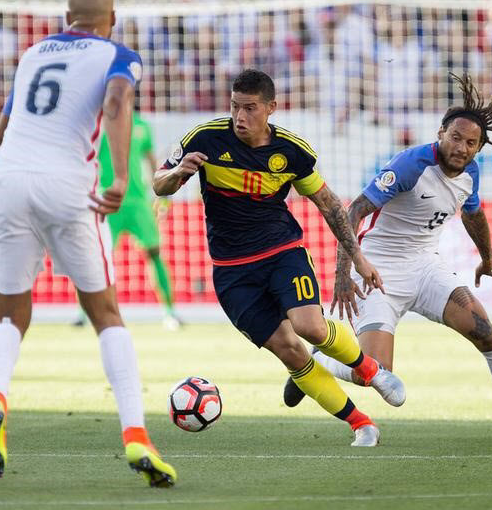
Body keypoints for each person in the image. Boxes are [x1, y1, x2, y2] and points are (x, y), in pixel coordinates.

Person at [283, 72, 492, 440]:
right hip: (377, 272)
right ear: (440, 133)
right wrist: (344, 271)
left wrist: (487, 257)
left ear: (479, 148)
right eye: (455, 138)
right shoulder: (411, 165)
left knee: (487, 333)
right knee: (378, 372)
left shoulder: (470, 173)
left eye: (470, 143)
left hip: (425, 266)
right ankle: (313, 363)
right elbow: (353, 212)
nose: (461, 148)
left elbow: (473, 212)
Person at [0, 0, 177, 487]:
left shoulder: (32, 54)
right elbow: (114, 103)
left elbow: (2, 134)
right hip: (67, 186)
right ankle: (135, 434)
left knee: (10, 317)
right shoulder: (119, 54)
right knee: (106, 313)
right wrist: (119, 177)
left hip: (5, 181)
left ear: (68, 17)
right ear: (112, 18)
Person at [153, 69, 405, 447]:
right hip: (231, 271)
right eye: (235, 106)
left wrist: (358, 259)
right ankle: (361, 424)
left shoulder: (291, 151)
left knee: (310, 328)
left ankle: (371, 370)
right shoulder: (204, 138)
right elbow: (159, 182)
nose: (240, 116)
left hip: (281, 252)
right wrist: (178, 176)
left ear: (271, 107)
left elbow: (330, 205)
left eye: (250, 108)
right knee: (289, 350)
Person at [73, 112, 182, 331]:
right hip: (107, 200)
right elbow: (86, 159)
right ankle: (83, 312)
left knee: (153, 253)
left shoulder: (141, 125)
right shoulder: (99, 124)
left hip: (138, 202)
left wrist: (162, 196)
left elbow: (151, 162)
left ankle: (170, 312)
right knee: (97, 257)